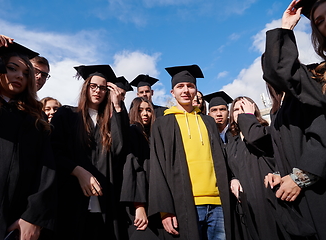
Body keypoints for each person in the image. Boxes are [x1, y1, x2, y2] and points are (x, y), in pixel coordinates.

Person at [0, 31, 56, 240]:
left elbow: (46, 171)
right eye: (12, 68)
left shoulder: (35, 119)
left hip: (12, 222)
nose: (19, 76)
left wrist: (33, 217)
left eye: (26, 73)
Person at [148, 64, 235, 240]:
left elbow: (222, 158)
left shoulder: (208, 122)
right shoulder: (162, 124)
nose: (186, 90)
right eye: (180, 86)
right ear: (173, 93)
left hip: (217, 203)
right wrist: (165, 210)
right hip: (185, 204)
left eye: (190, 86)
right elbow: (157, 168)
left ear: (196, 90)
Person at [262, 0, 326, 239]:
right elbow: (280, 72)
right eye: (318, 21)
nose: (324, 22)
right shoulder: (321, 78)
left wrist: (302, 175)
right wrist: (286, 28)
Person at [51, 64, 129, 240]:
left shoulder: (108, 122)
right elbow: (54, 151)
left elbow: (119, 149)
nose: (98, 91)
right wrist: (77, 171)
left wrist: (117, 106)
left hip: (104, 201)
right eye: (93, 86)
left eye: (103, 87)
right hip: (72, 199)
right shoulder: (67, 115)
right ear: (86, 87)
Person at [227, 96, 299, 240]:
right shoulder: (232, 144)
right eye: (236, 109)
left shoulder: (266, 132)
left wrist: (247, 117)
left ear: (253, 110)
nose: (240, 112)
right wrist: (233, 179)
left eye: (244, 107)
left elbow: (256, 139)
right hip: (248, 205)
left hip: (269, 199)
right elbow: (231, 168)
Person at [120, 97, 159, 239]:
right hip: (137, 200)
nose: (145, 114)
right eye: (140, 110)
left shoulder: (151, 135)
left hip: (151, 198)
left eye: (148, 110)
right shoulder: (132, 132)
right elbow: (133, 168)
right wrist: (139, 205)